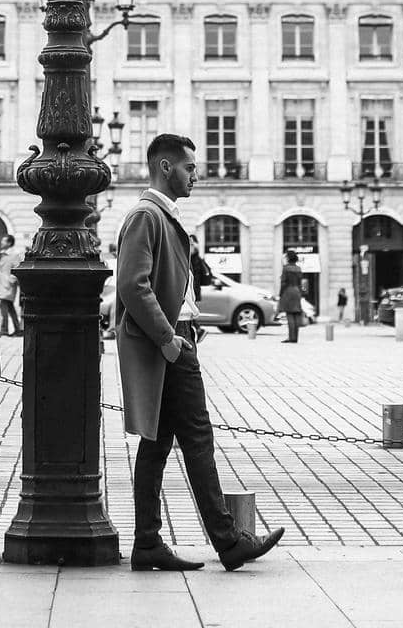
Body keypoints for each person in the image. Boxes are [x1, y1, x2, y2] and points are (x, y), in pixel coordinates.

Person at [114, 133, 284, 573]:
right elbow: (133, 285)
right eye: (190, 167)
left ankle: (148, 543)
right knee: (197, 440)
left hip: (179, 340)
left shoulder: (163, 217)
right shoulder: (146, 216)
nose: (197, 174)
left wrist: (189, 323)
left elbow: (167, 285)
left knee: (157, 446)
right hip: (169, 348)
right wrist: (170, 339)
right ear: (166, 167)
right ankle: (228, 541)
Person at [0, 233, 22, 336]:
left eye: (4, 241)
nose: (2, 242)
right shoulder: (2, 254)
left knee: (3, 306)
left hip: (8, 286)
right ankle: (17, 329)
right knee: (9, 307)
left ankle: (4, 329)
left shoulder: (14, 255)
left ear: (9, 243)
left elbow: (17, 270)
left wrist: (11, 280)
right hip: (1, 284)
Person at [278, 250, 303, 343]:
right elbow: (300, 283)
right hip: (297, 291)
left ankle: (291, 337)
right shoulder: (299, 268)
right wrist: (300, 293)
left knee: (290, 315)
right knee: (296, 315)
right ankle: (295, 338)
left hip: (288, 291)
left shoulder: (286, 268)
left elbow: (283, 282)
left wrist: (280, 294)